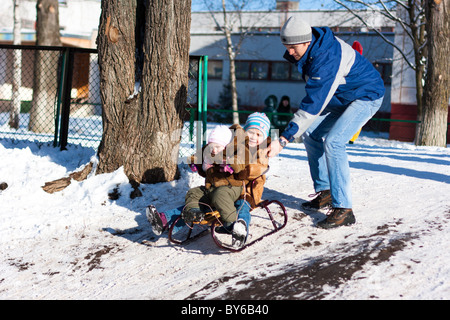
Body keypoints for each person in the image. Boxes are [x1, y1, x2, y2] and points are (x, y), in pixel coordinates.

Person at [268, 16, 385, 229]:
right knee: (311, 135)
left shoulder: (326, 59)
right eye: (286, 46)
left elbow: (314, 104)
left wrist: (284, 139)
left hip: (366, 96)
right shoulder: (310, 50)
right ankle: (326, 191)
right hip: (342, 98)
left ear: (306, 41)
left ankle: (344, 209)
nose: (289, 52)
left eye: (293, 47)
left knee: (334, 142)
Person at [146, 112, 271, 247]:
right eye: (250, 132)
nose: (253, 137)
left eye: (258, 135)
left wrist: (231, 165)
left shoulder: (261, 152)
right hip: (221, 187)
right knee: (200, 203)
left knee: (241, 208)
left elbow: (254, 169)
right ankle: (164, 221)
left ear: (263, 138)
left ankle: (239, 229)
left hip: (246, 193)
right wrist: (202, 162)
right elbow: (209, 151)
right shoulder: (233, 144)